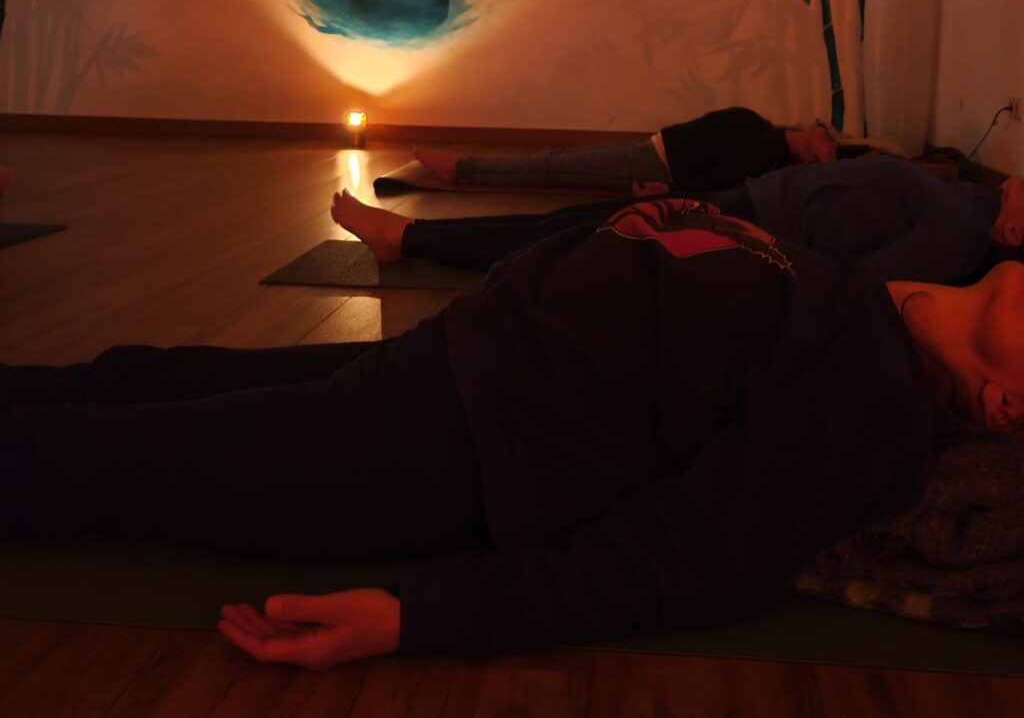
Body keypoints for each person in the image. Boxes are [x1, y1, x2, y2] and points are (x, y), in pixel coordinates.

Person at [3, 197, 1023, 672]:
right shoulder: (857, 291)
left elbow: (686, 560)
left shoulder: (874, 409)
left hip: (445, 446)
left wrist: (416, 616)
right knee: (135, 378)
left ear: (1004, 405)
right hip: (448, 355)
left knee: (111, 460)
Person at [336, 156, 1024, 285]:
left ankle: (410, 237)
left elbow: (857, 287)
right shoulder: (970, 204)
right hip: (756, 200)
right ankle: (413, 238)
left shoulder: (960, 235)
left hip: (756, 232)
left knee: (576, 236)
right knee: (577, 220)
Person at [412, 106, 839, 193]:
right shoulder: (764, 131)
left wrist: (665, 193)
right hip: (650, 151)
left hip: (653, 165)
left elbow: (715, 181)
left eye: (829, 151)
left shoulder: (764, 150)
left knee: (552, 166)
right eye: (830, 140)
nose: (828, 137)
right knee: (557, 162)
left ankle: (461, 168)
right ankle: (464, 166)